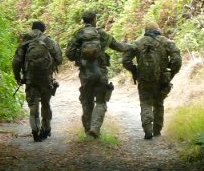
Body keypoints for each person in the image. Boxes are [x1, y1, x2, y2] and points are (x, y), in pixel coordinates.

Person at [65, 10, 129, 138]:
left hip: (85, 73)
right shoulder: (102, 34)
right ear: (94, 20)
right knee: (101, 101)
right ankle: (95, 127)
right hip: (101, 72)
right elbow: (120, 47)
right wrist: (132, 46)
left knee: (87, 101)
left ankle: (88, 130)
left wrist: (82, 57)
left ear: (83, 20)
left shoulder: (79, 34)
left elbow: (69, 54)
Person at [122, 21, 182, 139]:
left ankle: (147, 128)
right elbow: (177, 60)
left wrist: (134, 70)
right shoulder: (166, 42)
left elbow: (125, 60)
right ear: (158, 29)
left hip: (143, 79)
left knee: (145, 102)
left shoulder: (138, 42)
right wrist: (171, 72)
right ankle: (157, 130)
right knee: (159, 103)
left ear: (146, 31)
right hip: (162, 79)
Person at [12, 21, 62, 142]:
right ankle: (46, 128)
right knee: (46, 103)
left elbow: (16, 61)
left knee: (33, 103)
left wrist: (17, 76)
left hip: (31, 77)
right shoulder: (48, 40)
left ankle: (35, 129)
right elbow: (59, 59)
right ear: (43, 30)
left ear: (32, 29)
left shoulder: (25, 42)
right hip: (46, 78)